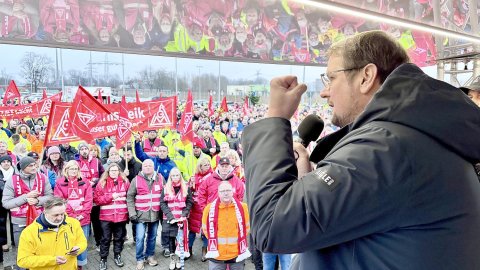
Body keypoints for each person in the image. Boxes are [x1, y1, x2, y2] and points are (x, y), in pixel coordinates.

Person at [242, 30, 480, 269]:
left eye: (331, 78)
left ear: (366, 76)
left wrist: (274, 118)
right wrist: (307, 182)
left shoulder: (385, 149)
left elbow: (271, 226)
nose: (325, 92)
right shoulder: (413, 138)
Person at [16, 197, 88, 270]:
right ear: (45, 213)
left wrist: (79, 248)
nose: (60, 218)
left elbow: (82, 242)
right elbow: (22, 261)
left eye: (62, 214)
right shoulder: (29, 232)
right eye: (56, 215)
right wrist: (52, 260)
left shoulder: (73, 223)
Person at [1, 156, 53, 254]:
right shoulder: (12, 180)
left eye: (35, 165)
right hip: (20, 222)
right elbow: (6, 203)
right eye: (30, 166)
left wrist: (38, 201)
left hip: (41, 220)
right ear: (23, 168)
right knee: (22, 251)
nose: (34, 168)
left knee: (42, 250)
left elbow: (50, 196)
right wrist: (26, 197)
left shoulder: (43, 178)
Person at [197, 157, 245, 262]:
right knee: (209, 232)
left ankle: (233, 254)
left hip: (230, 215)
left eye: (226, 166)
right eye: (222, 166)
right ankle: (207, 249)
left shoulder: (236, 181)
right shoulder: (209, 179)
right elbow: (201, 195)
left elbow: (240, 196)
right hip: (212, 215)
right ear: (218, 166)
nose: (224, 168)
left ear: (230, 167)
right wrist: (206, 210)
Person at [202, 181, 251, 270]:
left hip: (237, 254)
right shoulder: (208, 209)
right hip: (216, 254)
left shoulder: (243, 207)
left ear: (232, 192)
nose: (225, 193)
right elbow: (205, 229)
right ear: (218, 193)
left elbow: (247, 228)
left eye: (228, 190)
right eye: (222, 191)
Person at [54, 160, 93, 269]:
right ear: (66, 170)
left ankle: (80, 265)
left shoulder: (85, 182)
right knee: (67, 241)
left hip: (83, 219)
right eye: (71, 169)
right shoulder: (59, 182)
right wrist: (71, 215)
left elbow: (89, 199)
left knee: (81, 242)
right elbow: (60, 200)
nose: (74, 171)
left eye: (76, 169)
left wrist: (83, 214)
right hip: (67, 218)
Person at [127, 159, 162, 270]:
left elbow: (165, 194)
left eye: (150, 166)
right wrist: (132, 213)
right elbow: (130, 197)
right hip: (140, 216)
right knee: (140, 238)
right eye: (145, 165)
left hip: (155, 214)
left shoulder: (160, 178)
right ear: (142, 167)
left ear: (153, 167)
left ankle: (150, 256)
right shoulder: (136, 180)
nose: (147, 167)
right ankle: (140, 259)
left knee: (152, 238)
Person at [94, 163, 130, 270]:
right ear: (108, 172)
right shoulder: (102, 183)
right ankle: (103, 259)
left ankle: (117, 255)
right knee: (105, 238)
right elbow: (97, 200)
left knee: (119, 238)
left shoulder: (125, 182)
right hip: (106, 217)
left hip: (121, 216)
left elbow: (130, 197)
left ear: (119, 171)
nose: (114, 172)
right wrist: (111, 197)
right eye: (112, 170)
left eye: (116, 170)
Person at [160, 168, 193, 270]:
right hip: (169, 219)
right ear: (170, 176)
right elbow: (162, 203)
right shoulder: (165, 188)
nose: (175, 177)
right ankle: (172, 259)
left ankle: (178, 259)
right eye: (173, 176)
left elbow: (189, 202)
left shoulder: (186, 187)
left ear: (180, 176)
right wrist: (170, 216)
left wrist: (184, 214)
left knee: (180, 240)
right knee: (171, 240)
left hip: (181, 219)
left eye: (177, 175)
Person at [187, 157, 213, 259]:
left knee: (206, 229)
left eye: (208, 164)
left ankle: (204, 250)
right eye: (205, 165)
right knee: (192, 229)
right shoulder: (195, 176)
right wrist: (190, 183)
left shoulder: (212, 176)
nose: (207, 166)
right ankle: (189, 249)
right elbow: (189, 190)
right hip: (195, 207)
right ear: (200, 166)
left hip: (206, 206)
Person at [0, 155, 16, 268]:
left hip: (14, 200)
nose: (6, 163)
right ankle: (4, 242)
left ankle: (15, 241)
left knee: (13, 221)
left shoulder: (15, 173)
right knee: (1, 222)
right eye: (4, 162)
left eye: (8, 161)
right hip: (1, 200)